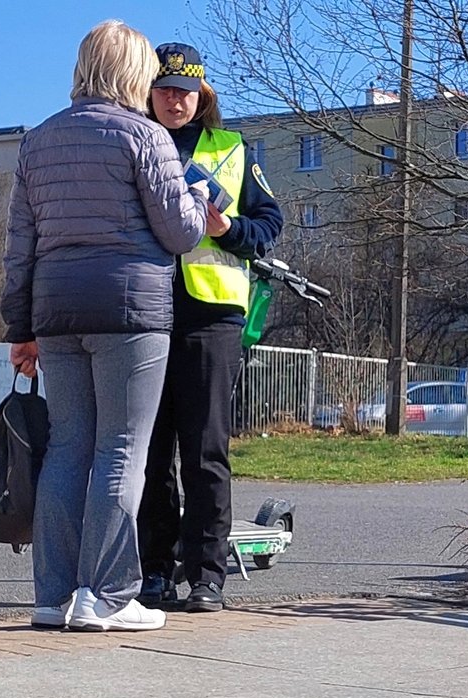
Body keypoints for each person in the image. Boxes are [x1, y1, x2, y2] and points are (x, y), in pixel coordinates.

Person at [1, 21, 209, 632]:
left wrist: (20, 326)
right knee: (122, 449)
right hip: (130, 312)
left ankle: (52, 597)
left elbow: (20, 246)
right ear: (134, 73)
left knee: (67, 448)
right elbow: (180, 232)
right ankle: (111, 595)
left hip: (57, 311)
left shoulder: (36, 143)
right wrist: (200, 205)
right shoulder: (146, 137)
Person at [137, 42, 285, 613]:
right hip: (146, 310)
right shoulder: (135, 143)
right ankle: (154, 572)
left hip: (212, 315)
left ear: (203, 97)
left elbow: (269, 225)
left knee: (205, 451)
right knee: (150, 454)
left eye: (186, 92)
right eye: (166, 90)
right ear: (149, 93)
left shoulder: (232, 148)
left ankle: (206, 576)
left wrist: (226, 227)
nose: (175, 101)